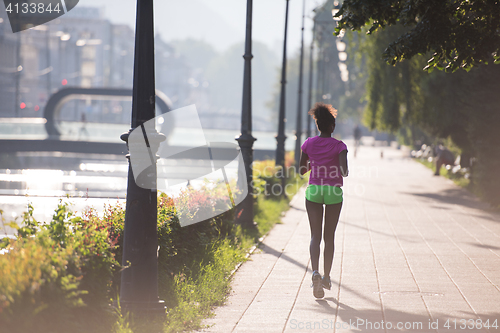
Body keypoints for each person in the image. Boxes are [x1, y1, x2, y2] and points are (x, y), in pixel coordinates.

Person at [299, 102, 348, 299]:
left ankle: (315, 273)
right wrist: (334, 162)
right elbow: (344, 172)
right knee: (329, 237)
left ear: (318, 125)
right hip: (333, 192)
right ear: (332, 126)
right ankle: (327, 277)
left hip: (314, 191)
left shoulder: (308, 143)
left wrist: (315, 163)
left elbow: (302, 170)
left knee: (315, 236)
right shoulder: (340, 146)